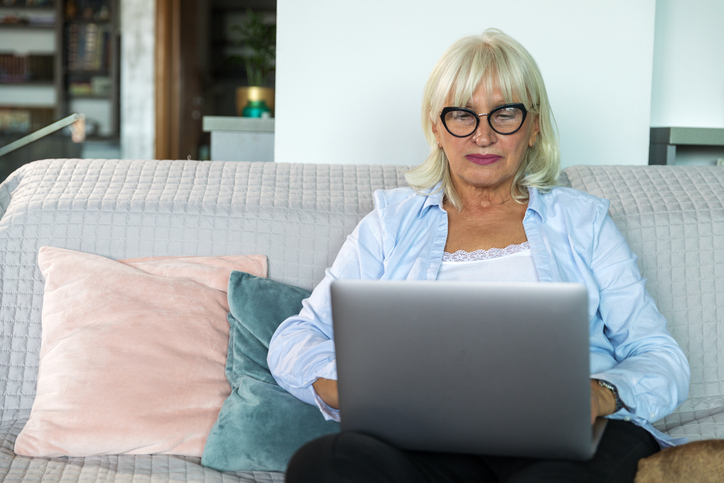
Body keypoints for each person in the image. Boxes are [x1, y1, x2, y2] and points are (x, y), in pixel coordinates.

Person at [267, 28, 690, 482]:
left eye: (505, 114)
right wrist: (359, 389)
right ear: (437, 128)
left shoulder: (583, 222)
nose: (483, 136)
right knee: (324, 465)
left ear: (534, 127)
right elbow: (296, 337)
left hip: (565, 443)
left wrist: (601, 393)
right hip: (430, 438)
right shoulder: (391, 223)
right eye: (462, 116)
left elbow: (660, 355)